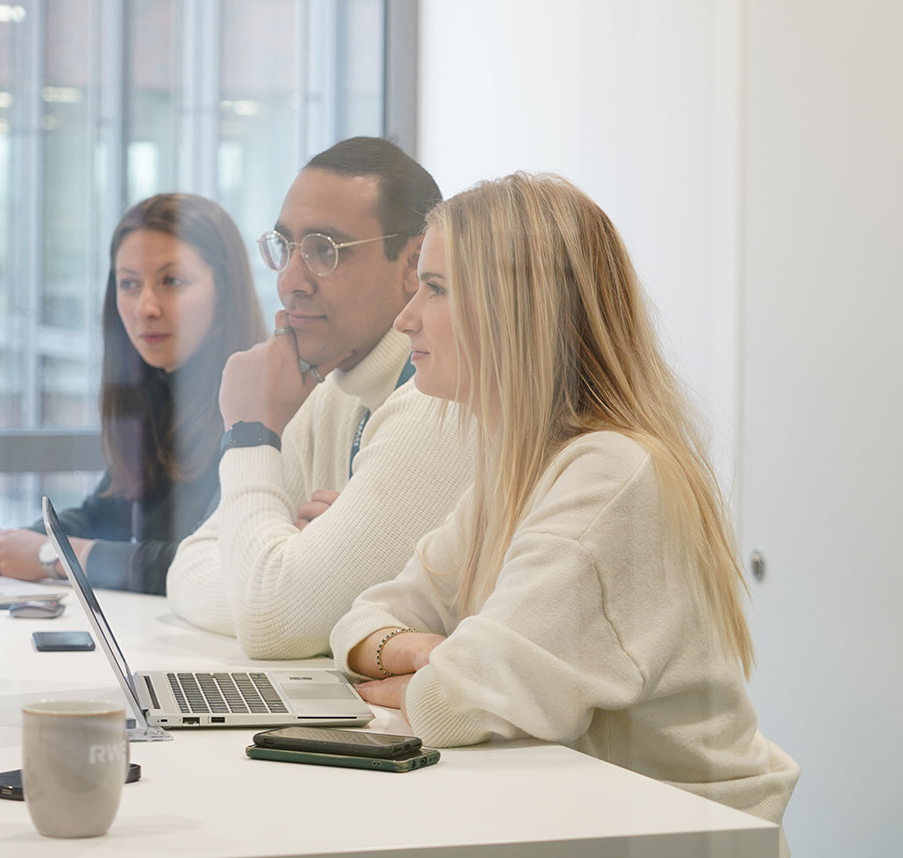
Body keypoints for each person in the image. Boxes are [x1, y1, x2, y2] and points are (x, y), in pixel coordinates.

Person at [330, 173, 799, 839]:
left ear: (512, 311)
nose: (406, 319)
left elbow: (454, 703)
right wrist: (418, 650)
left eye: (433, 289)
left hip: (683, 840)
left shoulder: (611, 475)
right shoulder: (524, 465)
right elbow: (361, 619)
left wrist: (430, 672)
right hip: (597, 826)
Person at [166, 137, 476, 658]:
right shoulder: (326, 391)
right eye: (285, 247)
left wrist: (249, 432)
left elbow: (271, 620)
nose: (290, 281)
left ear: (413, 263)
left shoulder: (444, 405)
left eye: (323, 251)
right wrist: (286, 565)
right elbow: (190, 566)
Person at [0, 193, 264, 594]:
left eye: (172, 281)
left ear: (225, 292)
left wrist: (53, 558)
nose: (145, 307)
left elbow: (207, 563)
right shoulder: (158, 386)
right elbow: (106, 512)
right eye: (129, 284)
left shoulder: (258, 403)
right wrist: (4, 544)